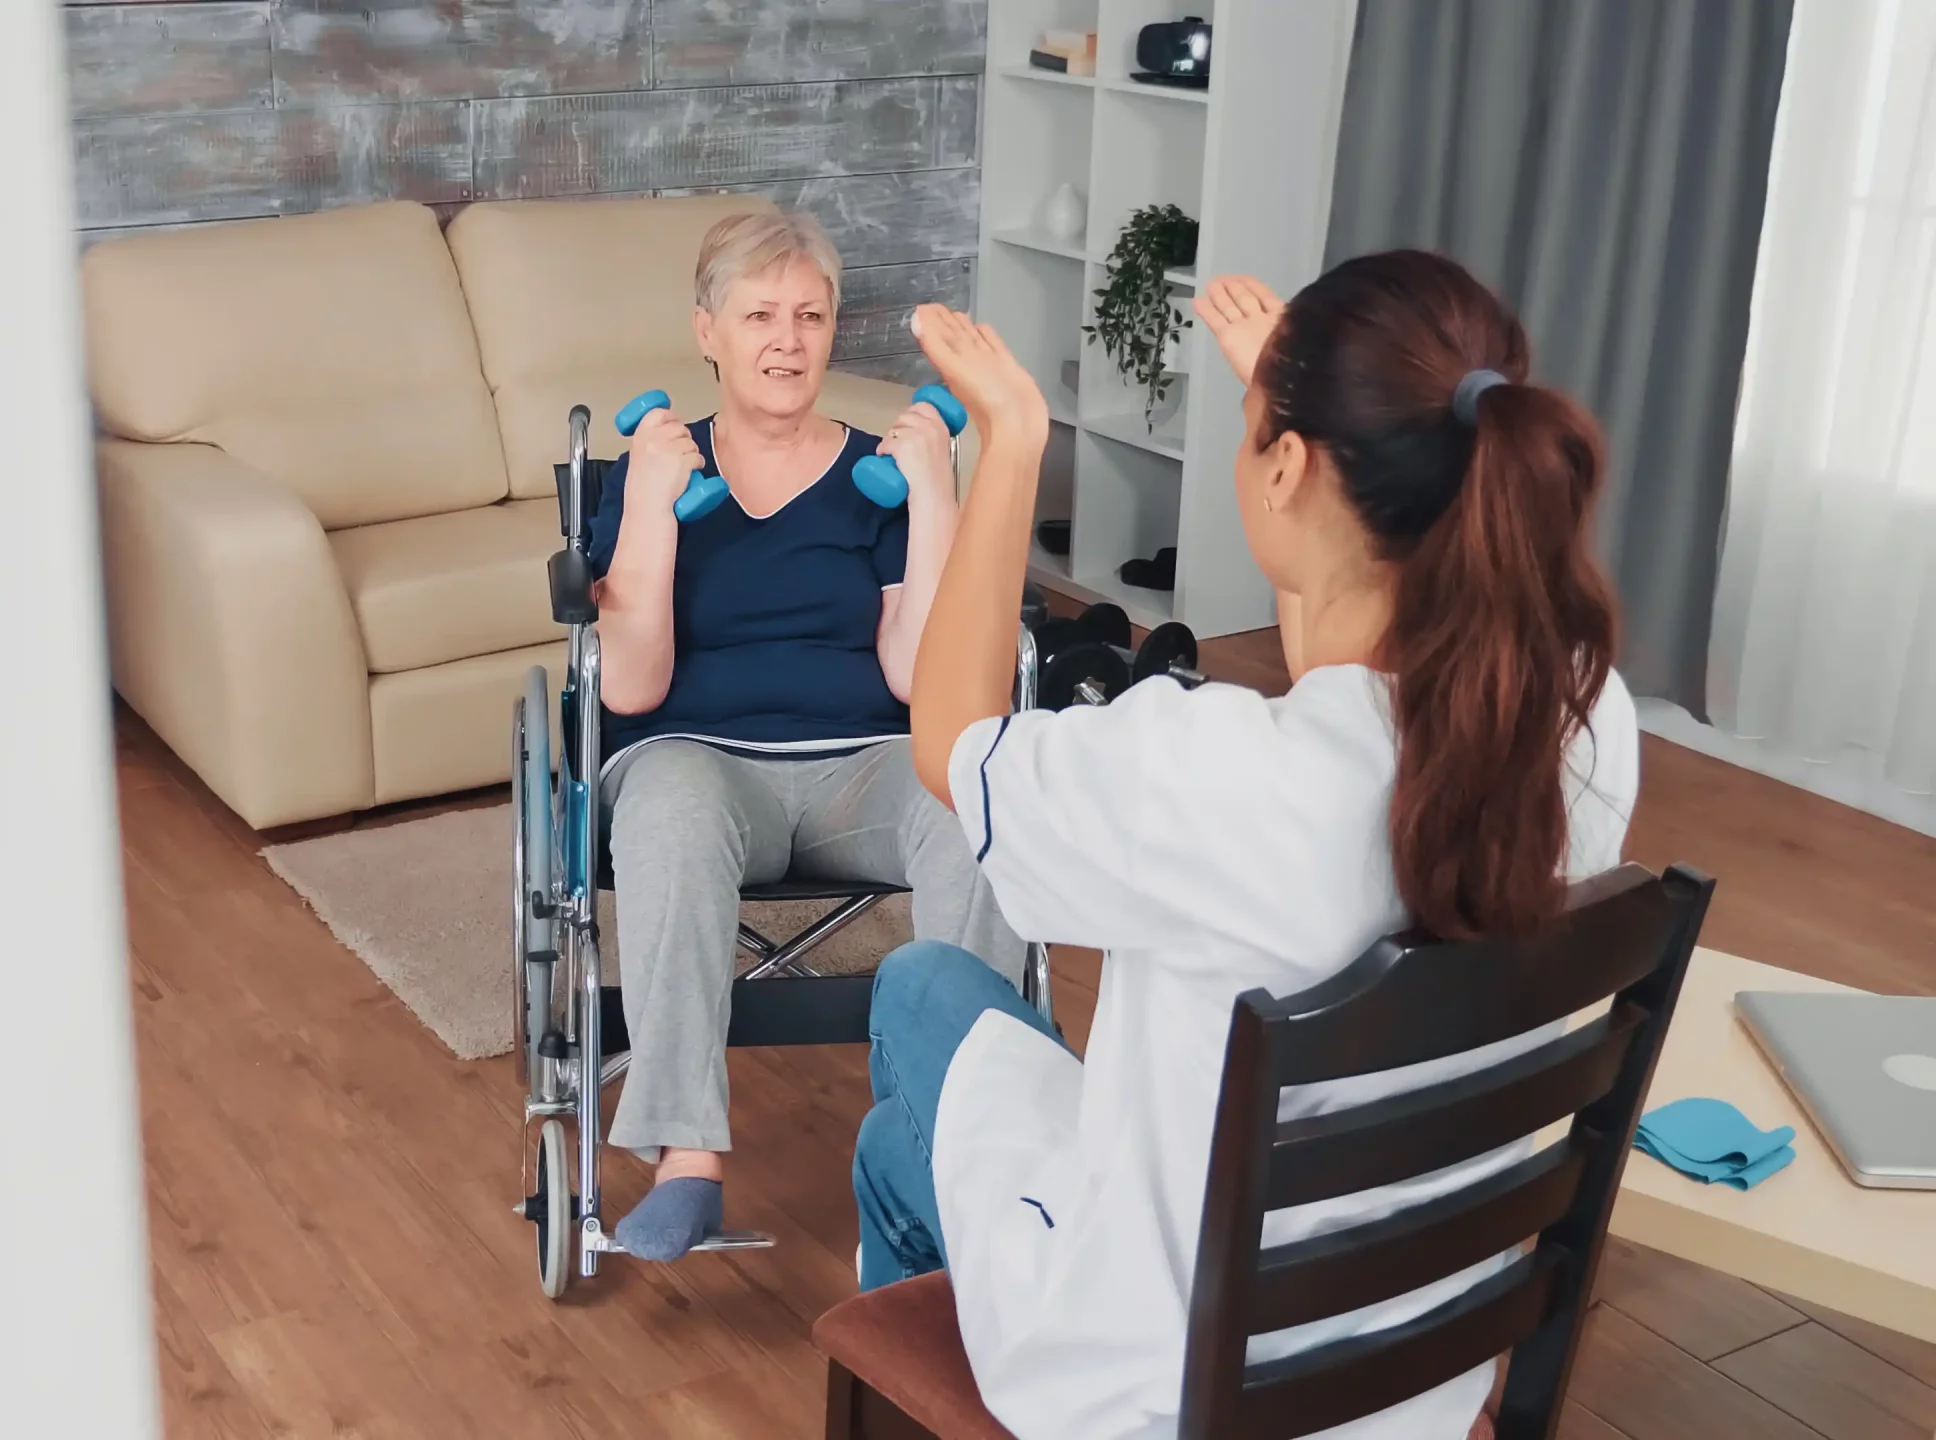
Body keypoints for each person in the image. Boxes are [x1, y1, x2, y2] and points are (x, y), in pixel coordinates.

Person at [851, 254, 1638, 1440]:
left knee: (917, 1008)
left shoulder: (1214, 771)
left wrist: (1011, 440)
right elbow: (1346, 660)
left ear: (1285, 467)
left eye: (1258, 434)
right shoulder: (1586, 716)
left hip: (1169, 1387)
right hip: (1417, 1379)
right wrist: (1308, 435)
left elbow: (954, 745)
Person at [583, 210, 1026, 1262]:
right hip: (698, 759)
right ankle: (686, 1162)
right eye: (759, 316)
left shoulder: (882, 476)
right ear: (707, 331)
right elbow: (634, 688)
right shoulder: (645, 475)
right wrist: (646, 504)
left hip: (863, 770)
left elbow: (921, 681)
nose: (786, 339)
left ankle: (975, 1141)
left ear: (834, 332)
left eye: (809, 316)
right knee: (673, 810)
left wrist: (933, 501)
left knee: (977, 797)